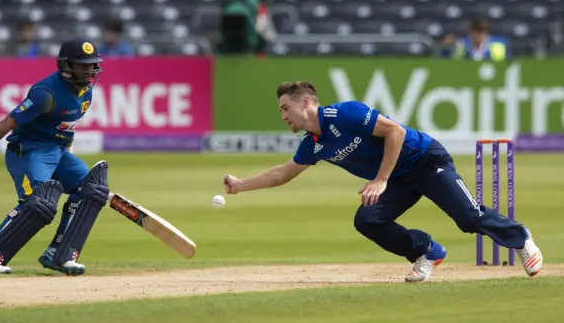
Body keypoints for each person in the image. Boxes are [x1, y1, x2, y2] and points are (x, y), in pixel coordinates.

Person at [222, 81, 543, 282]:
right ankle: (427, 251)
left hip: (425, 160)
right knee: (367, 219)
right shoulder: (313, 144)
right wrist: (240, 184)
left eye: (285, 108)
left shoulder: (344, 114)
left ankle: (521, 238)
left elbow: (396, 131)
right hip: (396, 179)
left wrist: (381, 179)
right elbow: (283, 173)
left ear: (305, 101)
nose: (283, 116)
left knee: (468, 218)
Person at [0, 38, 109, 276]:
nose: (89, 70)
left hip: (58, 151)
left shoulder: (86, 92)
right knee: (39, 204)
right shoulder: (46, 94)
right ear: (66, 65)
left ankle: (59, 253)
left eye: (92, 64)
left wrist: (68, 157)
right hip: (28, 151)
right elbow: (9, 121)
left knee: (91, 188)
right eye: (82, 64)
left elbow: (67, 127)